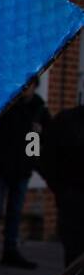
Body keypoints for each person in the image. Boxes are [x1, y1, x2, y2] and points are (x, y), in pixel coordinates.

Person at [0, 77, 48, 270]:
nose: (25, 88)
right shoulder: (3, 105)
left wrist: (38, 136)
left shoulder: (39, 109)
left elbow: (39, 145)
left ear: (35, 86)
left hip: (22, 170)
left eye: (29, 85)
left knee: (15, 213)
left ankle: (10, 251)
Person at [41, 100, 84, 266]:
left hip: (68, 193)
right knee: (74, 252)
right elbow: (39, 145)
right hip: (72, 197)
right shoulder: (66, 120)